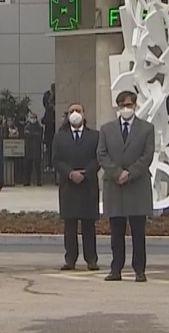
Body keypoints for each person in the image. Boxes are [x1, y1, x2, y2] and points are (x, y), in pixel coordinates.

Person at [97, 90, 154, 282]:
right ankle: (116, 269)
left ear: (135, 106)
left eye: (129, 105)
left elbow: (147, 156)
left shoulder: (146, 129)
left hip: (137, 186)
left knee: (138, 232)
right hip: (115, 186)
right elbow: (102, 154)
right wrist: (116, 172)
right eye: (123, 105)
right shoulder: (106, 129)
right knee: (116, 232)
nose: (126, 108)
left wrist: (129, 173)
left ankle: (139, 269)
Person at [53, 102, 100, 271]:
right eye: (72, 111)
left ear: (84, 114)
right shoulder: (60, 137)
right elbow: (56, 160)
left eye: (78, 110)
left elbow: (98, 158)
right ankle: (70, 259)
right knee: (70, 225)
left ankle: (91, 259)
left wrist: (85, 173)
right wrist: (70, 173)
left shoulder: (94, 136)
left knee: (89, 225)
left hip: (88, 186)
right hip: (68, 186)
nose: (75, 113)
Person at [22, 112, 44, 186]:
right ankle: (27, 181)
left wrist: (31, 134)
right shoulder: (27, 126)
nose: (32, 119)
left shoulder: (39, 127)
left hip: (37, 150)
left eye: (34, 118)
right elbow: (26, 134)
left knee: (37, 167)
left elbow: (39, 136)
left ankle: (39, 181)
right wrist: (33, 134)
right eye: (31, 117)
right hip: (28, 149)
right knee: (28, 167)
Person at [41, 86, 56, 171]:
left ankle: (52, 165)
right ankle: (49, 164)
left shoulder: (53, 110)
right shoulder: (48, 111)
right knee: (48, 149)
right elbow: (44, 120)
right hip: (49, 132)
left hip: (53, 130)